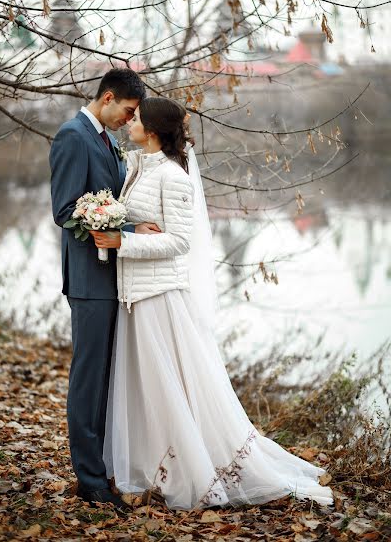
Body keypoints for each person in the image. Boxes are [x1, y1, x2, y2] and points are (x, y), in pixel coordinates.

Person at [90, 96, 334, 511]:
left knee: (168, 389)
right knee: (147, 390)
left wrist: (122, 242)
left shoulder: (175, 177)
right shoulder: (137, 165)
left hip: (159, 297)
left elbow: (180, 241)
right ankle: (154, 467)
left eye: (137, 119)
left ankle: (190, 473)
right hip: (133, 295)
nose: (129, 122)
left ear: (151, 130)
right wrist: (120, 225)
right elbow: (136, 214)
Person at [49, 68, 161, 515]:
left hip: (115, 276)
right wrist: (127, 228)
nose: (129, 121)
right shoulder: (72, 136)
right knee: (89, 380)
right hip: (90, 281)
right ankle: (91, 481)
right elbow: (65, 210)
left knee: (107, 381)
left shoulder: (106, 139)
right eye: (129, 112)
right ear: (109, 97)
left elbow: (109, 197)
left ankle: (104, 467)